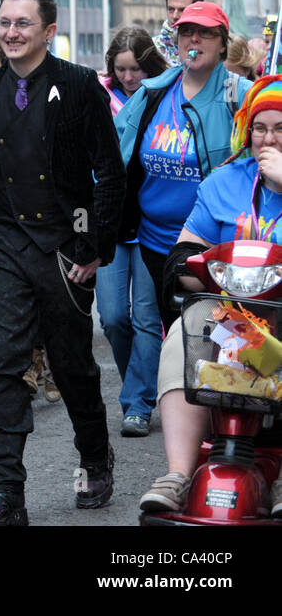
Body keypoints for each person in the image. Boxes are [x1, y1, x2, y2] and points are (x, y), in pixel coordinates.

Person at [0, 0, 124, 526]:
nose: (12, 32)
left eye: (24, 23)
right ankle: (6, 493)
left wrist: (94, 246)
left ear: (49, 30)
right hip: (4, 243)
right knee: (3, 362)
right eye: (4, 22)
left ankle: (95, 458)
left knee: (71, 366)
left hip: (65, 248)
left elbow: (109, 172)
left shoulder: (78, 86)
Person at [139, 75, 282, 515]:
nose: (268, 138)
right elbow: (184, 252)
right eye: (260, 127)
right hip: (231, 318)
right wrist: (190, 270)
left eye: (281, 128)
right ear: (246, 129)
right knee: (185, 331)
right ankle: (179, 475)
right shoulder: (223, 181)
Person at [114, 0, 243, 330]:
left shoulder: (240, 95)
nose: (194, 40)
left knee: (216, 336)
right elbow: (112, 155)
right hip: (153, 242)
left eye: (205, 33)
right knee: (162, 330)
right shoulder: (152, 93)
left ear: (223, 42)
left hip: (215, 247)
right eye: (186, 32)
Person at [95, 26, 168, 437]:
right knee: (112, 317)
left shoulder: (163, 96)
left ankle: (137, 402)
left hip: (149, 222)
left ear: (149, 65)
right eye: (121, 69)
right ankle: (137, 387)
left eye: (136, 68)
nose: (128, 77)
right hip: (108, 222)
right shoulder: (98, 97)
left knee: (145, 317)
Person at [154, 0, 203, 67]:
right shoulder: (153, 47)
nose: (175, 16)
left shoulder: (207, 46)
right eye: (171, 9)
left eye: (182, 10)